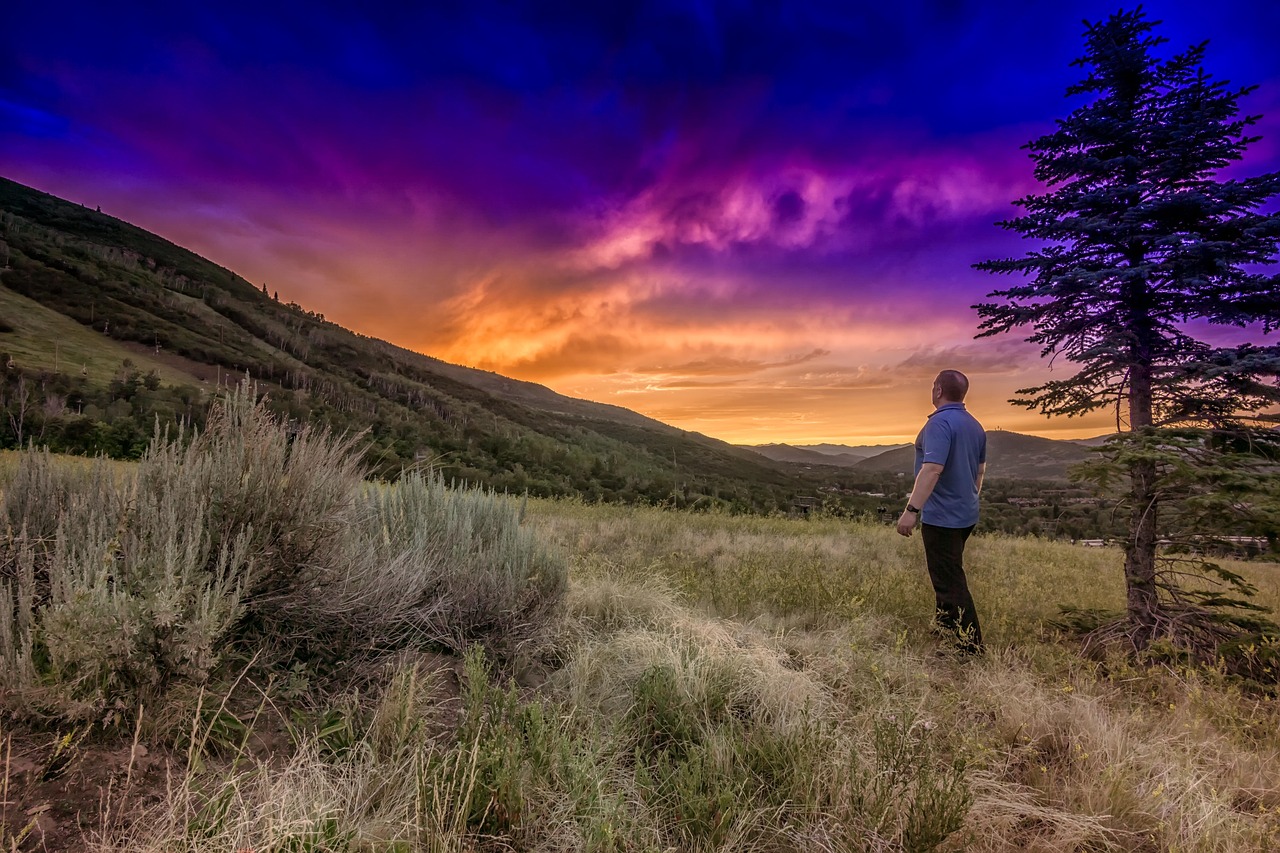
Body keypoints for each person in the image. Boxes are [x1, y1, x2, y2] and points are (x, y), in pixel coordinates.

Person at [897, 370, 987, 654]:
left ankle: (969, 647)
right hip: (966, 514)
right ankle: (945, 629)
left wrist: (912, 509)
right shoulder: (975, 425)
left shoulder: (939, 423)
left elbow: (932, 468)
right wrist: (970, 497)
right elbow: (980, 471)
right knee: (948, 574)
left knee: (949, 581)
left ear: (937, 390)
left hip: (943, 516)